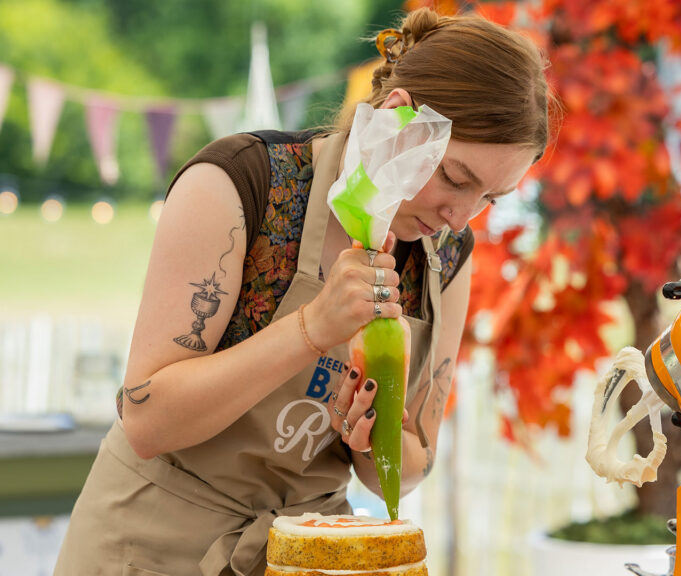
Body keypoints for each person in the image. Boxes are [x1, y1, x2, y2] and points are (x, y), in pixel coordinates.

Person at [55, 7, 550, 576]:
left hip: (309, 555)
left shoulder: (443, 258)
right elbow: (147, 421)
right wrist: (311, 328)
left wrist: (373, 438)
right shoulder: (240, 184)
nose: (460, 218)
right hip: (149, 545)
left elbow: (412, 466)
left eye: (491, 197)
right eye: (455, 178)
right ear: (397, 117)